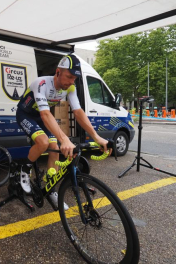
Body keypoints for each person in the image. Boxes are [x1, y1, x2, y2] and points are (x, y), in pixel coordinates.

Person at [16, 54, 111, 208]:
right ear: (58, 72)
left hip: (42, 117)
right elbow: (45, 114)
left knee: (54, 148)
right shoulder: (41, 84)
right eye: (69, 77)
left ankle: (51, 188)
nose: (71, 82)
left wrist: (96, 137)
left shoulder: (70, 88)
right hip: (25, 114)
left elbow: (78, 112)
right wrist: (65, 139)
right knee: (43, 142)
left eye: (75, 78)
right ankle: (25, 170)